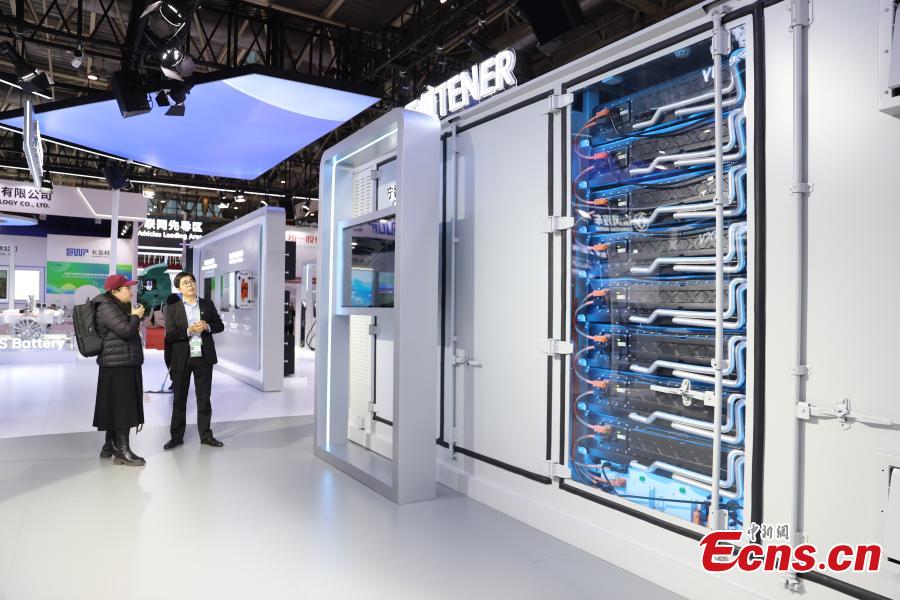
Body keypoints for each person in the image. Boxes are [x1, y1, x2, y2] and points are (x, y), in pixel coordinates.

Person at [163, 271, 225, 450]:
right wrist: (189, 331)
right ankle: (176, 437)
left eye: (192, 281)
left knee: (204, 398)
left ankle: (206, 436)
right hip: (181, 357)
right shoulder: (172, 308)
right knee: (179, 399)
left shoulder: (207, 304)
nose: (190, 285)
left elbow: (219, 325)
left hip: (203, 356)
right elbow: (170, 334)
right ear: (179, 288)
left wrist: (207, 326)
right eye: (185, 283)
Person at [93, 274, 146, 467]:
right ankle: (123, 450)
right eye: (127, 288)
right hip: (118, 363)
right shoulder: (107, 307)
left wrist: (134, 316)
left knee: (116, 405)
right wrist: (136, 316)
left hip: (123, 361)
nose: (131, 291)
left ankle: (110, 445)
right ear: (115, 291)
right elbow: (125, 330)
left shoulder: (116, 306)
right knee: (124, 407)